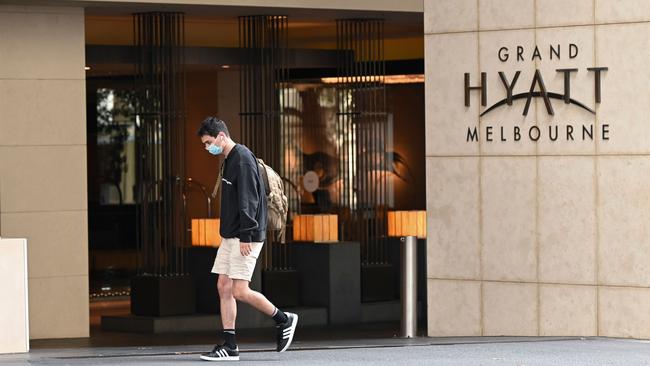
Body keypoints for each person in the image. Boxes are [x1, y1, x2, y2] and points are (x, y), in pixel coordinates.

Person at [197, 116, 298, 362]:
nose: (207, 147)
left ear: (221, 136)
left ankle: (283, 319)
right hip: (231, 235)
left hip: (246, 236)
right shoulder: (230, 159)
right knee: (224, 286)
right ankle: (230, 346)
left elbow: (249, 200)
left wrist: (246, 234)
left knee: (240, 290)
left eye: (209, 142)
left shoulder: (241, 159)